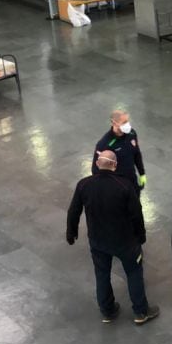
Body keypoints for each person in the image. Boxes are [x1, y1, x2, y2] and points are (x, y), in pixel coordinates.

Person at [66, 150, 159, 325]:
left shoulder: (84, 185)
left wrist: (71, 233)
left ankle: (107, 311)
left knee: (101, 274)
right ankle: (141, 312)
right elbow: (136, 214)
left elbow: (74, 211)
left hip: (98, 241)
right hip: (125, 241)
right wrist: (141, 235)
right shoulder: (124, 186)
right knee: (134, 272)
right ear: (114, 166)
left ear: (96, 164)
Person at [94, 110, 147, 196]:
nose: (128, 125)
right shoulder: (105, 144)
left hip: (132, 181)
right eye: (124, 122)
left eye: (128, 121)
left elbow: (136, 154)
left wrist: (142, 173)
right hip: (117, 187)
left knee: (136, 207)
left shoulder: (131, 133)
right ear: (114, 123)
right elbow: (96, 170)